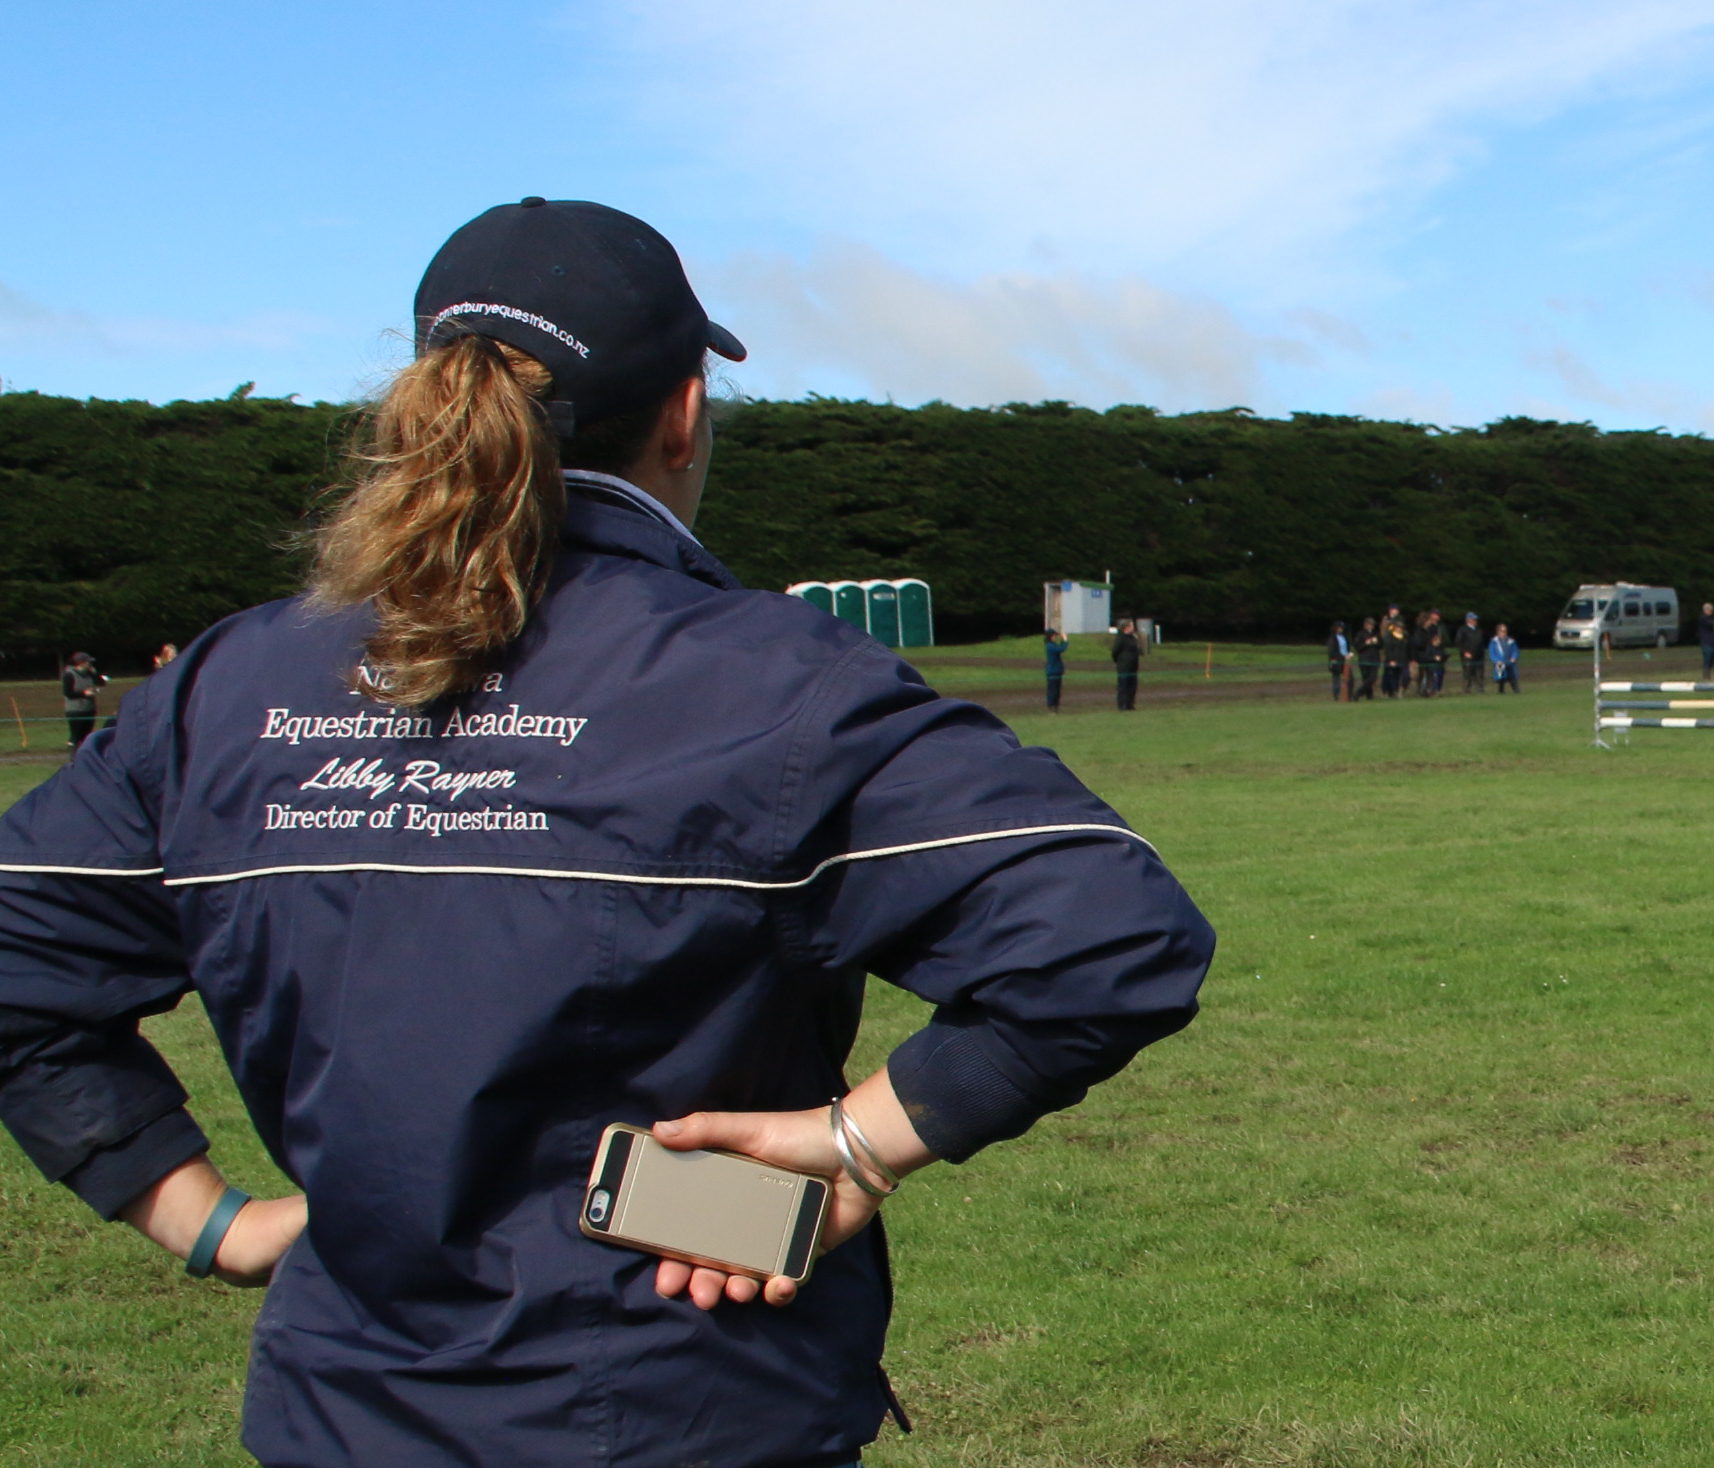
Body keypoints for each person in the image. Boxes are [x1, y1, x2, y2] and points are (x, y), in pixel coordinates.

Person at [0, 198, 1214, 1468]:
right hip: (685, 1413)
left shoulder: (225, 686)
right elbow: (1112, 929)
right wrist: (855, 1147)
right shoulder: (770, 679)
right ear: (686, 411)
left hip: (342, 1421)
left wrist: (209, 1219)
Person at [59, 651, 106, 750]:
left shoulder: (89, 674)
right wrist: (84, 694)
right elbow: (68, 693)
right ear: (81, 663)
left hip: (89, 709)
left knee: (87, 736)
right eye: (88, 662)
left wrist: (95, 673)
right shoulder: (69, 675)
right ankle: (74, 755)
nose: (90, 664)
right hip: (75, 710)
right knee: (76, 735)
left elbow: (102, 683)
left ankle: (85, 756)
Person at [1414, 610, 1448, 697]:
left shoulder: (1428, 631)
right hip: (1422, 656)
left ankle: (1429, 691)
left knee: (1430, 674)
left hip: (1428, 655)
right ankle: (1422, 691)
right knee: (1422, 676)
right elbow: (1418, 645)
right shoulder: (1419, 632)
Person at [1112, 617, 1143, 709]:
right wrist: (1119, 661)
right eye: (1132, 625)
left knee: (1132, 686)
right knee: (1123, 686)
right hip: (1124, 666)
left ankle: (1130, 704)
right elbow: (1115, 651)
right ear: (1127, 627)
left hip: (1133, 666)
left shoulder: (1133, 637)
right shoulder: (1120, 638)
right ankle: (1122, 705)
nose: (1133, 628)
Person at [1379, 605, 1409, 698]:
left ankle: (1396, 691)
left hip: (1400, 655)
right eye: (1392, 610)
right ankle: (1388, 691)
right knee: (1389, 674)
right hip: (1389, 652)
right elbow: (1384, 637)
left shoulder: (1400, 621)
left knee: (1401, 675)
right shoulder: (1386, 621)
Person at [1455, 611, 1487, 693]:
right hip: (1468, 655)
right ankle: (1467, 688)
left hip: (1479, 655)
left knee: (1479, 672)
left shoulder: (1479, 629)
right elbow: (1458, 642)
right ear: (1468, 620)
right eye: (1473, 619)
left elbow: (1481, 641)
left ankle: (1480, 688)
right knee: (1468, 672)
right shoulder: (1463, 630)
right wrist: (1465, 652)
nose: (1475, 621)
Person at [1352, 616, 1383, 701]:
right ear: (1366, 625)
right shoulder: (1360, 634)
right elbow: (1357, 647)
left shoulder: (1376, 633)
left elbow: (1381, 645)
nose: (1371, 626)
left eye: (1373, 624)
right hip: (1364, 659)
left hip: (1374, 659)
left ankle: (1358, 693)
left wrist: (1377, 642)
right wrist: (1366, 643)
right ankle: (1369, 695)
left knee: (1372, 678)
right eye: (1370, 624)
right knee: (1366, 678)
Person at [1488, 623, 1520, 692]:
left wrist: (1513, 657)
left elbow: (1515, 651)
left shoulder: (1510, 641)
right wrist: (1497, 660)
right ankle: (1501, 691)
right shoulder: (1494, 642)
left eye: (1505, 631)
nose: (1504, 633)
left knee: (1512, 676)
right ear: (1498, 632)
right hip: (1499, 663)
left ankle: (1516, 690)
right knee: (1501, 676)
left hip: (1509, 662)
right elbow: (1492, 653)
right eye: (1502, 631)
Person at [1325, 620, 1351, 701]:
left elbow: (1346, 647)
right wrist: (1342, 657)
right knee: (1336, 679)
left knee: (1349, 677)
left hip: (1345, 660)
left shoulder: (1344, 637)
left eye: (1342, 628)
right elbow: (1332, 651)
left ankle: (1348, 694)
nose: (1341, 629)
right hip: (1337, 660)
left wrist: (1348, 655)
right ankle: (1336, 695)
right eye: (1339, 628)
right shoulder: (1332, 638)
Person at [1043, 626, 1067, 711]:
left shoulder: (1052, 645)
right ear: (1050, 637)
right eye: (1054, 636)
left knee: (1057, 691)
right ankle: (1051, 706)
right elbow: (1061, 649)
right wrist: (1065, 640)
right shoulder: (1050, 646)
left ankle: (1055, 706)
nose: (1055, 637)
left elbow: (1059, 648)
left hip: (1056, 671)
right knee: (1053, 691)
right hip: (1053, 671)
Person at [1697, 603, 1714, 678]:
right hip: (1706, 642)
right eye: (1709, 609)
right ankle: (1706, 675)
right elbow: (1711, 625)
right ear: (1705, 610)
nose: (1710, 611)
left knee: (1713, 659)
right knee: (1707, 658)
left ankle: (1711, 674)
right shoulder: (1703, 618)